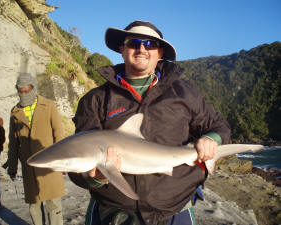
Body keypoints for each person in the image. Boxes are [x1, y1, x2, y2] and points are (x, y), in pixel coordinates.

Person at [69, 20, 231, 225]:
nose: (141, 49)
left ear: (160, 53)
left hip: (175, 208)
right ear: (122, 49)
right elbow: (77, 162)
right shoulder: (96, 99)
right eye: (134, 43)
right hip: (114, 211)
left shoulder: (184, 92)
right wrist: (95, 178)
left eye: (150, 44)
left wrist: (210, 139)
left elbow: (219, 126)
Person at [7, 73, 65, 225]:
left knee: (54, 205)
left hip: (50, 165)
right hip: (29, 166)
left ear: (34, 88)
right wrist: (12, 166)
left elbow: (59, 134)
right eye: (21, 91)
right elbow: (13, 143)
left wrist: (62, 161)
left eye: (27, 90)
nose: (24, 93)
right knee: (34, 206)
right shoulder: (15, 112)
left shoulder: (49, 105)